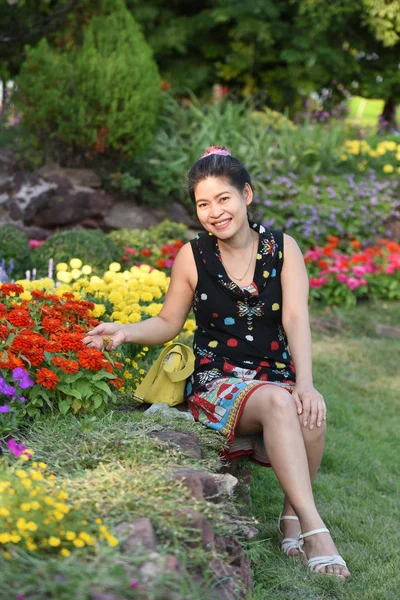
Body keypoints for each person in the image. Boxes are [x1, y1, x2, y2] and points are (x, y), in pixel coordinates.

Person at [83, 145, 350, 579]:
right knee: (280, 404)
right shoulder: (193, 256)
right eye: (203, 204)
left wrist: (306, 382)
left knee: (310, 412)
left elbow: (296, 318)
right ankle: (317, 529)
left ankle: (291, 516)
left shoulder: (284, 249)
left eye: (223, 199)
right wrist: (126, 330)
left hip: (274, 374)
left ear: (247, 194)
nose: (214, 211)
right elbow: (169, 321)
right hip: (217, 381)